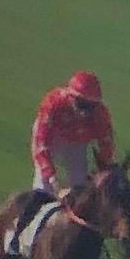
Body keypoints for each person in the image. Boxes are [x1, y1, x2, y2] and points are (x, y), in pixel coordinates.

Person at [31, 67, 118, 195]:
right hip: (52, 138)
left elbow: (106, 146)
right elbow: (41, 144)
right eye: (81, 104)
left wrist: (102, 171)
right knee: (43, 186)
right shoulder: (53, 103)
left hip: (77, 143)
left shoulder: (100, 115)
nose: (85, 112)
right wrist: (51, 175)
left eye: (91, 107)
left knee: (80, 187)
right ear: (70, 97)